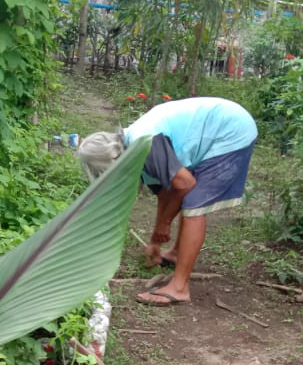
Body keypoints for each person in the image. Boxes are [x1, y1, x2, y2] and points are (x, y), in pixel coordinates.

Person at [78, 96, 257, 307]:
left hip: (230, 129)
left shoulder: (144, 143)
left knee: (194, 203)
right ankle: (176, 254)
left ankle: (179, 288)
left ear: (109, 162)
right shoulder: (134, 150)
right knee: (186, 195)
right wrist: (156, 239)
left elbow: (185, 184)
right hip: (218, 127)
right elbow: (166, 193)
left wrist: (163, 225)